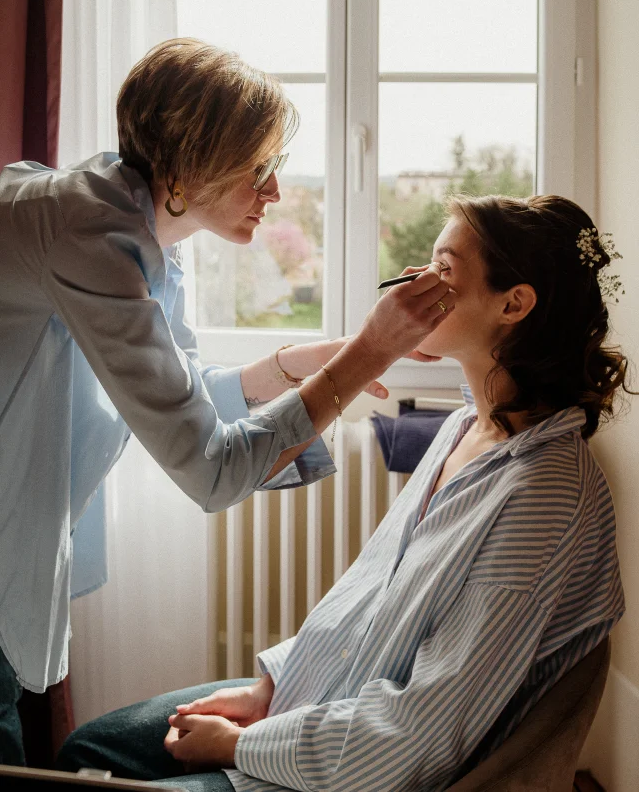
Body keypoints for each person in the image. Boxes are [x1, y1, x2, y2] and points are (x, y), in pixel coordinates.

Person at [57, 193, 628, 792]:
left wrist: (244, 745)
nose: (415, 280)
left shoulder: (543, 493)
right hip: (322, 703)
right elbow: (368, 598)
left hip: (355, 770)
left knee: (89, 768)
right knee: (88, 749)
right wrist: (269, 688)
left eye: (443, 269)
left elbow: (423, 732)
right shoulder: (467, 427)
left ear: (513, 303)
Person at [0, 38, 456, 765]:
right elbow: (208, 467)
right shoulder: (90, 234)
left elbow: (184, 397)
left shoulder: (140, 235)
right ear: (188, 167)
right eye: (259, 169)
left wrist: (319, 358)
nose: (274, 191)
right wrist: (368, 352)